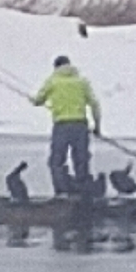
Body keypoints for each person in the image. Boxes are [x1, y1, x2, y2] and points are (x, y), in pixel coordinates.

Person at [30, 54, 102, 195]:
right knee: (81, 160)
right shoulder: (82, 82)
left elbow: (38, 100)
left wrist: (33, 100)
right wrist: (97, 127)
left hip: (61, 126)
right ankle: (83, 193)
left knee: (57, 161)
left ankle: (62, 192)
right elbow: (95, 104)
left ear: (56, 67)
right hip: (80, 126)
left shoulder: (52, 81)